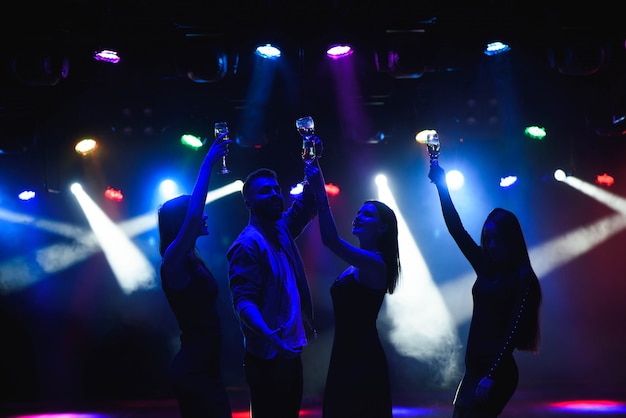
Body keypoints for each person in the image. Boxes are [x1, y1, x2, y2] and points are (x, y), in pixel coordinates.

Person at [428, 162, 542, 418]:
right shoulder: (486, 267)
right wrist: (441, 186)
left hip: (496, 372)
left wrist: (492, 375)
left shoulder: (523, 278)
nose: (489, 245)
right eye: (486, 238)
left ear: (510, 240)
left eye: (496, 239)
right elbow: (457, 231)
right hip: (474, 370)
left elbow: (513, 331)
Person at [227, 153, 320, 418]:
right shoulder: (248, 245)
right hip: (268, 355)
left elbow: (307, 204)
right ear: (248, 201)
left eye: (276, 190)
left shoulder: (280, 229)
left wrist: (313, 161)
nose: (274, 195)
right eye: (264, 191)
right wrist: (273, 338)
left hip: (287, 352)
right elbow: (243, 302)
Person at [306, 161, 401, 418]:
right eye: (358, 211)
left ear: (382, 228)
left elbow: (330, 240)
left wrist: (319, 190)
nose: (358, 216)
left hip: (362, 356)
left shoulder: (377, 263)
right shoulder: (359, 263)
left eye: (367, 214)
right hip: (347, 351)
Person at [157, 132, 233, 418]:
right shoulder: (172, 262)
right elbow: (193, 216)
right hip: (193, 371)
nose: (203, 215)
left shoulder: (189, 259)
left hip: (205, 368)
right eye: (195, 211)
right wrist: (207, 164)